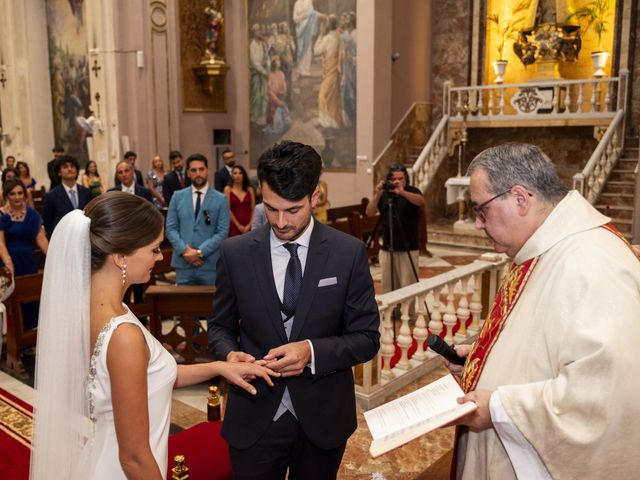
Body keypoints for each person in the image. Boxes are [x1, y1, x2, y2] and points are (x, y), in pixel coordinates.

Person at [29, 192, 277, 480]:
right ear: (121, 257)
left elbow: (150, 376)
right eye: (155, 249)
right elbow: (134, 458)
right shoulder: (123, 335)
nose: (159, 258)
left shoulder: (95, 309)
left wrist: (221, 367)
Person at [444, 143, 640, 479]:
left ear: (520, 199)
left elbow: (606, 398)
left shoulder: (590, 264)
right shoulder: (547, 247)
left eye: (482, 210)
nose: (478, 224)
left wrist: (499, 408)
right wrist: (483, 359)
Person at [208, 141, 380, 479]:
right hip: (254, 416)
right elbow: (219, 327)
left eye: (293, 210)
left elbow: (367, 338)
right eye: (271, 209)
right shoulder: (235, 253)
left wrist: (311, 351)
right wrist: (229, 356)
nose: (281, 222)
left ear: (316, 197)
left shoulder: (348, 253)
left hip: (322, 418)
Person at [166, 153, 229, 285]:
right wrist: (186, 251)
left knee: (210, 305)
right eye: (194, 170)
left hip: (209, 264)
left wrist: (199, 252)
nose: (198, 173)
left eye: (201, 169)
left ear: (207, 171)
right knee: (183, 305)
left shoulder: (220, 199)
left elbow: (222, 232)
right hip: (183, 264)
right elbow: (170, 229)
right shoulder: (177, 197)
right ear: (188, 173)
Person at [365, 163, 424, 293]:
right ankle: (391, 314)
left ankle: (408, 314)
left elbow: (420, 201)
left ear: (406, 178)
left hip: (408, 249)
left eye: (400, 178)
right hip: (387, 248)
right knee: (388, 288)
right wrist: (378, 194)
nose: (396, 181)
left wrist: (402, 192)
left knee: (408, 289)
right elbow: (369, 212)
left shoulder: (412, 191)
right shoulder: (385, 194)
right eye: (393, 179)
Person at [0, 179, 48, 330]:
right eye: (12, 194)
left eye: (20, 193)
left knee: (29, 299)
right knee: (9, 302)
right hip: (6, 263)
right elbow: (0, 242)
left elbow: (42, 241)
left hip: (28, 263)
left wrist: (55, 257)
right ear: (7, 196)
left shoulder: (33, 215)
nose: (17, 197)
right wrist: (8, 262)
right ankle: (10, 341)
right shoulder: (1, 214)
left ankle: (28, 339)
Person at [42, 155, 92, 237]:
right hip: (62, 239)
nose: (70, 169)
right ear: (59, 172)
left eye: (72, 166)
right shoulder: (51, 196)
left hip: (85, 237)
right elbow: (48, 224)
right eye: (65, 167)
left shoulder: (87, 193)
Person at [313, 14, 342, 129]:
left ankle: (326, 122)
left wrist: (320, 35)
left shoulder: (327, 38)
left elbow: (316, 51)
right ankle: (330, 121)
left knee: (322, 96)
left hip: (331, 71)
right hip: (334, 71)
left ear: (328, 25)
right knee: (333, 97)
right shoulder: (338, 36)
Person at [224, 165, 255, 237]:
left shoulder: (250, 189)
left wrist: (250, 224)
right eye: (235, 173)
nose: (237, 175)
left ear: (244, 175)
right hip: (234, 225)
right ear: (232, 176)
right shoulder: (227, 189)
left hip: (248, 225)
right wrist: (238, 226)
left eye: (240, 173)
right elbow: (228, 209)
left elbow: (253, 209)